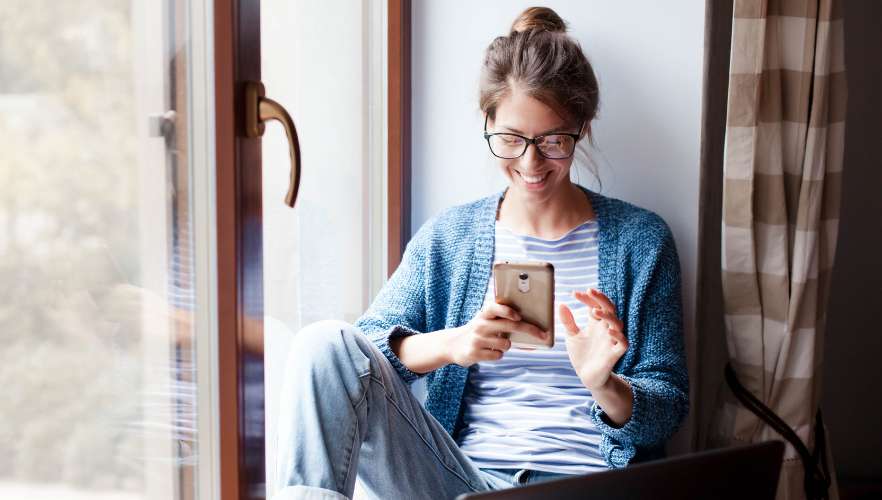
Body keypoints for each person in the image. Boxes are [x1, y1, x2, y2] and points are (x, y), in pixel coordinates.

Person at [274, 7, 688, 500]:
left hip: (584, 485)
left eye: (552, 141)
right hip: (462, 484)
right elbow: (361, 360)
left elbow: (667, 405)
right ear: (487, 122)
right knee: (323, 345)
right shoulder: (450, 238)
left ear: (582, 127)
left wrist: (605, 385)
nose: (530, 163)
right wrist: (457, 343)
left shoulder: (641, 241)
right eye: (511, 139)